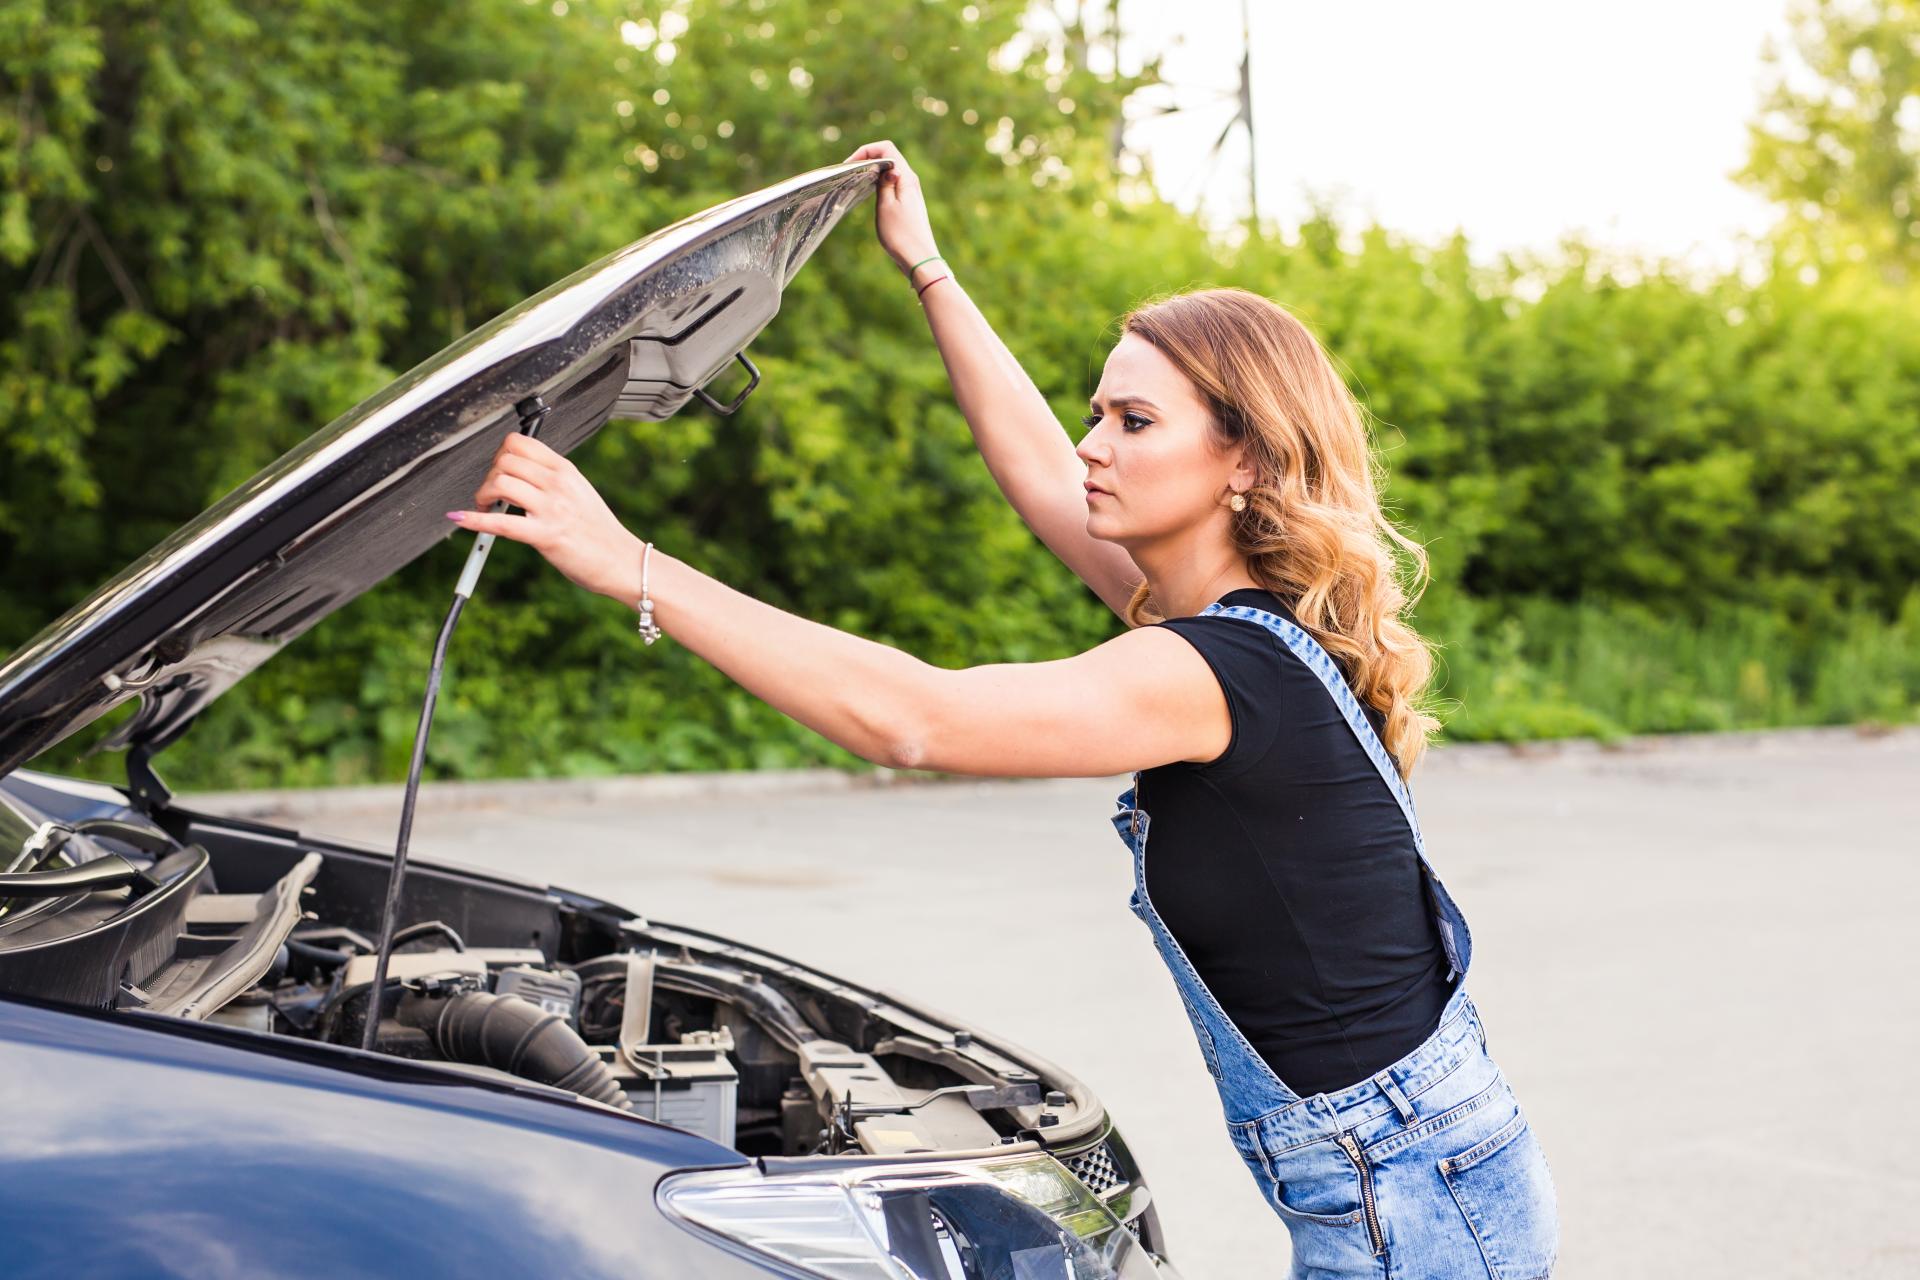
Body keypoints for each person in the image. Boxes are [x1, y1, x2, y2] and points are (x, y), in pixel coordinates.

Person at [448, 139, 1558, 1279]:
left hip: (1409, 1204)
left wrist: (629, 560)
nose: (1093, 444)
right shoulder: (1241, 624)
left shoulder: (1209, 672)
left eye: (1135, 422)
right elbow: (1039, 471)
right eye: (1097, 412)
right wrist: (928, 267)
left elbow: (912, 720)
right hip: (1413, 1176)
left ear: (1243, 461)